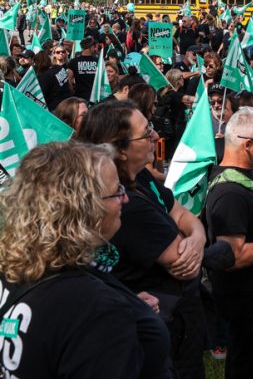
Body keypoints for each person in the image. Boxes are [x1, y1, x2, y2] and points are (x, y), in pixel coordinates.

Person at [0, 141, 172, 378]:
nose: (125, 199)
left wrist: (128, 304)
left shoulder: (15, 265)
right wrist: (111, 312)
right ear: (83, 208)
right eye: (116, 192)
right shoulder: (96, 308)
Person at [76, 100, 208, 378]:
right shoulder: (127, 204)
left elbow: (182, 212)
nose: (156, 137)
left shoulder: (143, 177)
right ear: (120, 149)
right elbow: (183, 262)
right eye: (146, 133)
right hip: (164, 326)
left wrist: (197, 236)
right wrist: (194, 238)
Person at [205, 107, 253, 378]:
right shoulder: (230, 192)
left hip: (251, 294)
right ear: (247, 144)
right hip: (241, 297)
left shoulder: (243, 175)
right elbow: (232, 255)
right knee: (244, 364)